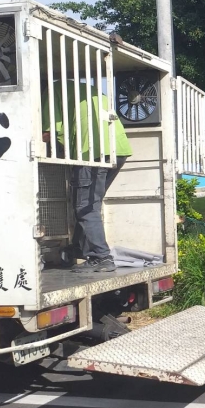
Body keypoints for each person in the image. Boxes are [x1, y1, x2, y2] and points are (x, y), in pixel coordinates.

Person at [42, 80, 132, 273]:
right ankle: (79, 248)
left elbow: (49, 131)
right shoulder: (91, 89)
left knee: (85, 207)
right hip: (118, 149)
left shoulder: (54, 89)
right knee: (91, 203)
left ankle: (101, 257)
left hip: (92, 152)